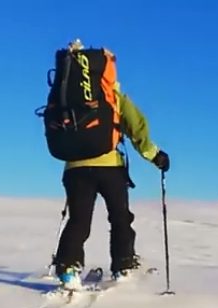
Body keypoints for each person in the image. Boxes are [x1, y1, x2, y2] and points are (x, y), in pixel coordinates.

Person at [52, 39, 170, 289]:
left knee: (79, 220)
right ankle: (123, 265)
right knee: (120, 217)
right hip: (110, 168)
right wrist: (155, 156)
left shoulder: (64, 93)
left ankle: (67, 268)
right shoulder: (113, 96)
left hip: (74, 169)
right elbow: (137, 128)